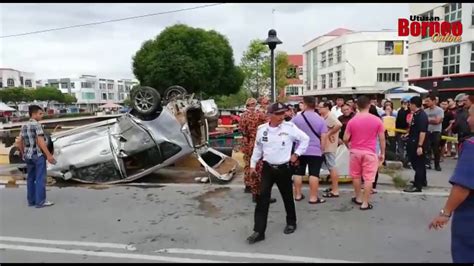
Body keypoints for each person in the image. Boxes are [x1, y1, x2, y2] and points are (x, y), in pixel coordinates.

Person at [247, 102, 310, 244]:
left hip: (283, 168)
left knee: (287, 197)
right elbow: (258, 148)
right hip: (267, 168)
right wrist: (252, 165)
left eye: (283, 113)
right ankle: (259, 231)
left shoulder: (290, 127)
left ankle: (291, 222)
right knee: (262, 199)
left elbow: (305, 139)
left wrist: (297, 154)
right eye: (278, 114)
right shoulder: (262, 129)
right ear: (270, 115)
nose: (282, 116)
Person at [428, 104, 474, 263]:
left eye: (471, 115)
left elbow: (462, 186)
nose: (468, 120)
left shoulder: (472, 146)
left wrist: (445, 212)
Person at [343, 96, 385, 210]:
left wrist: (349, 147)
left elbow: (345, 138)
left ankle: (358, 197)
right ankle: (365, 203)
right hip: (370, 152)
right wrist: (383, 153)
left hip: (355, 151)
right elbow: (382, 138)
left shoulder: (352, 121)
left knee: (356, 176)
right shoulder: (377, 120)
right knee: (368, 178)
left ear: (356, 106)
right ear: (369, 105)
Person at [17, 105, 56, 208]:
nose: (42, 115)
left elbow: (19, 141)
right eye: (40, 113)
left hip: (28, 155)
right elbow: (41, 141)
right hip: (37, 155)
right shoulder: (37, 125)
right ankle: (40, 202)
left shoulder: (24, 125)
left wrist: (22, 153)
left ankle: (31, 201)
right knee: (40, 178)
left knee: (30, 178)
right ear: (33, 114)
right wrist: (48, 155)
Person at [239, 98, 277, 204]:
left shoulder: (243, 116)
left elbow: (242, 131)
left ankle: (248, 185)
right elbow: (269, 125)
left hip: (247, 143)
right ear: (255, 104)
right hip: (258, 142)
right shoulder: (259, 115)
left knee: (248, 164)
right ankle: (258, 192)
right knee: (259, 168)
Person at [291, 96, 328, 204]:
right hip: (315, 150)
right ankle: (313, 197)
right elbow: (324, 136)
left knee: (298, 173)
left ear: (305, 104)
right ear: (315, 105)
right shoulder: (320, 119)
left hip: (299, 150)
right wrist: (322, 149)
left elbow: (291, 133)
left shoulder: (297, 118)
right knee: (314, 174)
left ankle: (297, 195)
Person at [403, 96, 428, 193]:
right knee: (418, 163)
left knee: (418, 164)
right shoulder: (416, 114)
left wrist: (420, 146)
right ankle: (422, 180)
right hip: (413, 140)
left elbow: (422, 132)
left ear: (413, 104)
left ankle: (418, 185)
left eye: (410, 104)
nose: (409, 106)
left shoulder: (422, 116)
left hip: (417, 142)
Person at [318, 102, 342, 198]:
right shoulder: (324, 116)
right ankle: (333, 187)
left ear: (327, 108)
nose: (319, 109)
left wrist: (329, 134)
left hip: (329, 145)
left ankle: (335, 190)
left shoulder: (330, 116)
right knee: (330, 166)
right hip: (326, 144)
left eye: (320, 107)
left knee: (332, 166)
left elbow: (339, 125)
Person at [423, 94, 444, 171]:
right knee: (427, 148)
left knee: (436, 149)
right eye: (426, 101)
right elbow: (424, 121)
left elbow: (438, 121)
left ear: (434, 101)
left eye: (428, 101)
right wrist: (432, 120)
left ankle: (437, 165)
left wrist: (428, 120)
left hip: (436, 132)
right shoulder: (425, 111)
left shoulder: (439, 110)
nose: (427, 102)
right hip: (428, 131)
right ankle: (427, 163)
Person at [395, 97, 411, 167]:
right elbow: (398, 121)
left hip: (408, 131)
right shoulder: (399, 111)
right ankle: (402, 160)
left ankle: (407, 161)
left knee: (408, 147)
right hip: (400, 131)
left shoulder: (410, 111)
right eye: (403, 103)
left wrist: (407, 110)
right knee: (400, 147)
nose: (405, 104)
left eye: (406, 103)